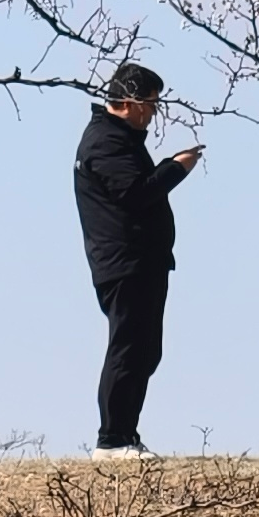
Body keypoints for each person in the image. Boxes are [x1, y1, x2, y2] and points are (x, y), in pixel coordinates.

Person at [73, 59, 201, 458]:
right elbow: (135, 193)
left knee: (145, 349)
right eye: (149, 104)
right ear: (127, 102)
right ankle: (112, 439)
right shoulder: (104, 142)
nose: (152, 113)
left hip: (142, 261)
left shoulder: (119, 139)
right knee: (128, 348)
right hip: (124, 262)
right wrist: (176, 169)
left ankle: (125, 434)